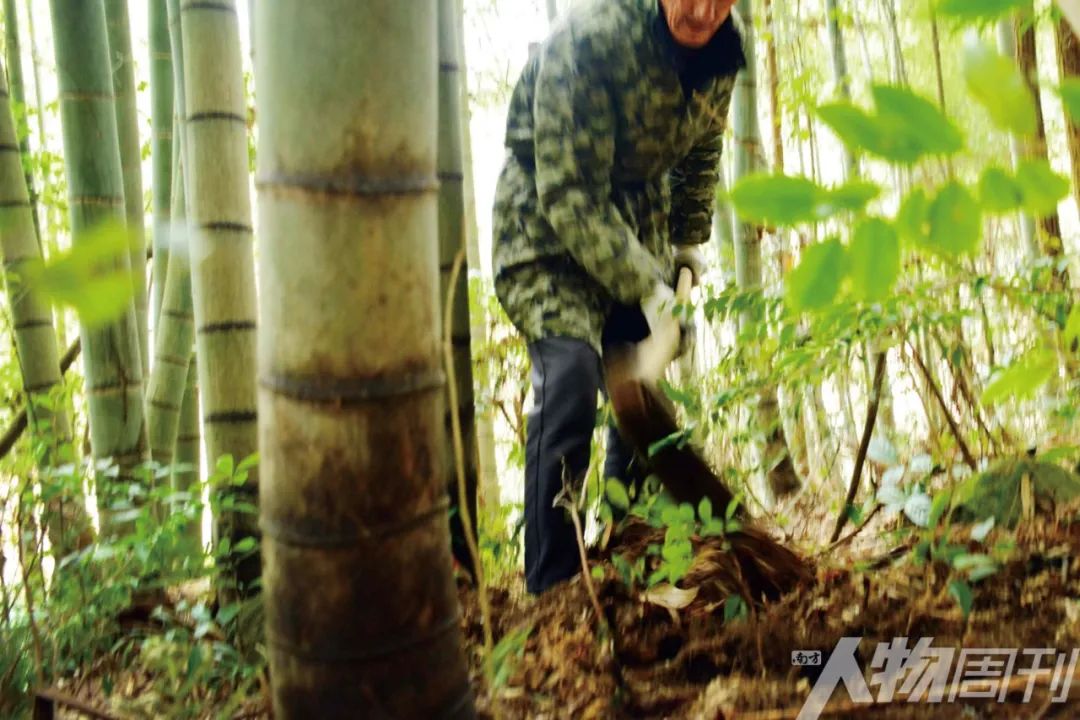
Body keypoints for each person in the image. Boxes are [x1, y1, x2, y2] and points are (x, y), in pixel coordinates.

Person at [491, 0, 745, 595]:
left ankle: (623, 545)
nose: (703, 10)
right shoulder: (589, 42)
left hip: (635, 233)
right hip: (545, 238)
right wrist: (649, 289)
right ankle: (553, 583)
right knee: (573, 379)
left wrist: (685, 245)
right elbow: (569, 194)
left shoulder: (723, 55)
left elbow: (701, 154)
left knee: (640, 391)